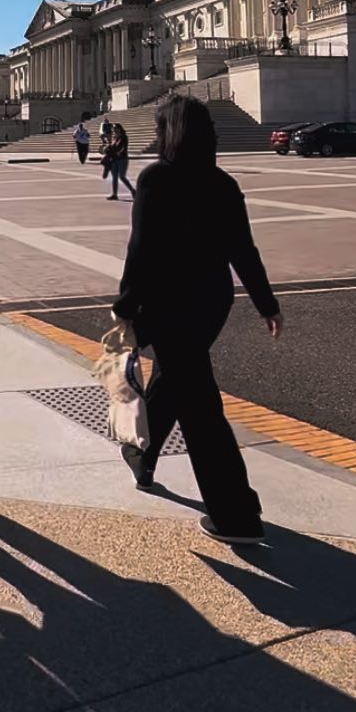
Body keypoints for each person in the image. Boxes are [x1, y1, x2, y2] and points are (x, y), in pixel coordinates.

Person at [111, 93, 281, 542]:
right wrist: (266, 304)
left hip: (168, 305)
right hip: (210, 304)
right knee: (175, 380)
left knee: (201, 409)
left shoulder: (156, 178)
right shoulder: (223, 183)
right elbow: (243, 250)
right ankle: (143, 458)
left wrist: (125, 306)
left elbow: (141, 250)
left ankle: (236, 514)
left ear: (171, 133)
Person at [105, 122, 135, 201]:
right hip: (114, 159)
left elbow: (124, 147)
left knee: (122, 176)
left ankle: (133, 190)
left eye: (116, 128)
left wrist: (120, 152)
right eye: (113, 128)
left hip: (122, 159)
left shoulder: (124, 137)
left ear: (120, 128)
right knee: (114, 177)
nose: (114, 129)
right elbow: (112, 147)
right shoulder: (114, 137)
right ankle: (114, 194)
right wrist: (107, 147)